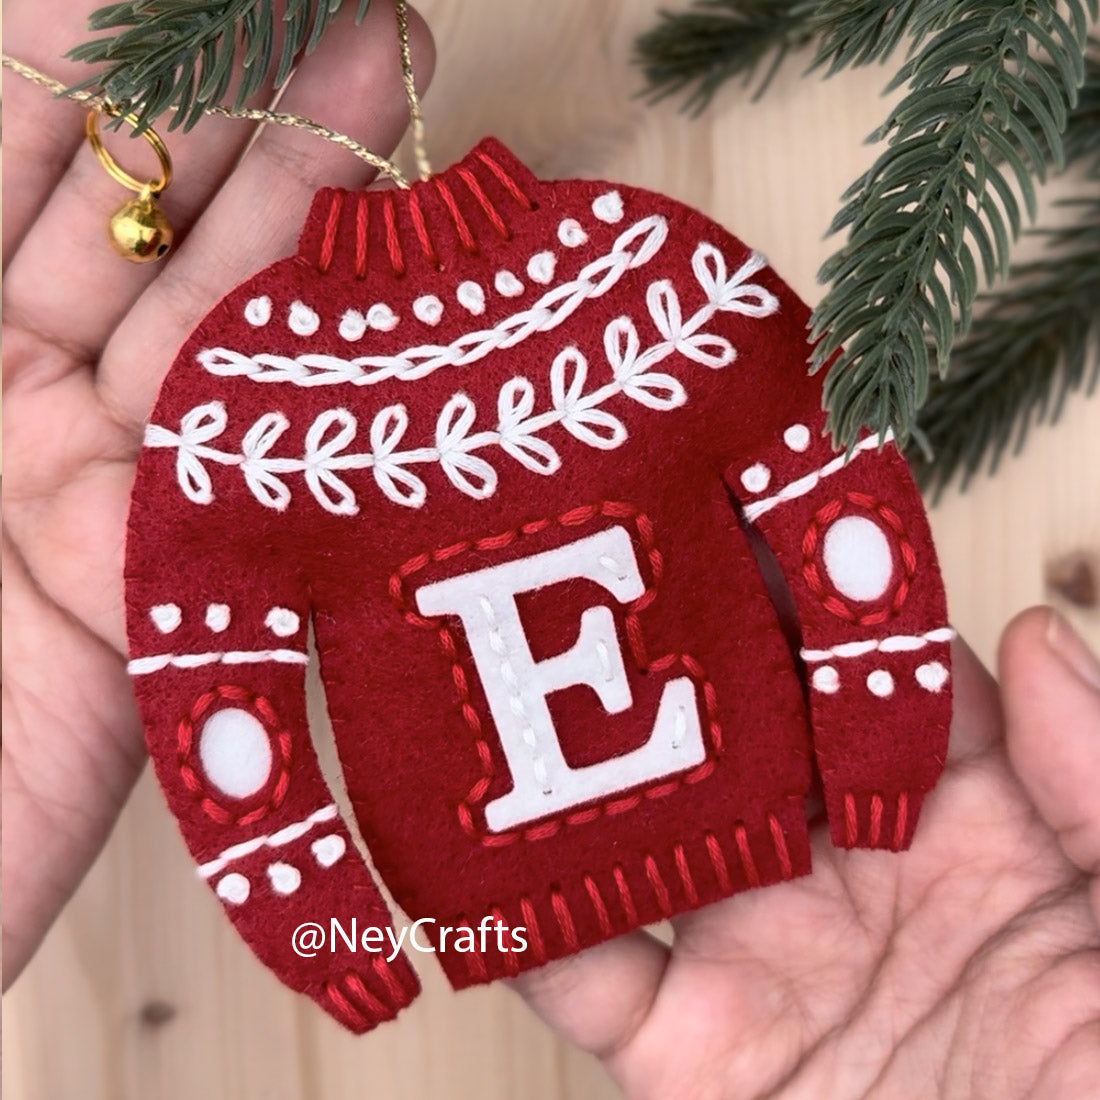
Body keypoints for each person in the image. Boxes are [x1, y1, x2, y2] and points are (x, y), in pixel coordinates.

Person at [4, 1, 1098, 1094]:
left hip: (560, 878)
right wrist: (878, 754)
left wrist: (336, 940)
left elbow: (216, 690)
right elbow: (837, 503)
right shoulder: (641, 271)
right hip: (560, 876)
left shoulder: (251, 396)